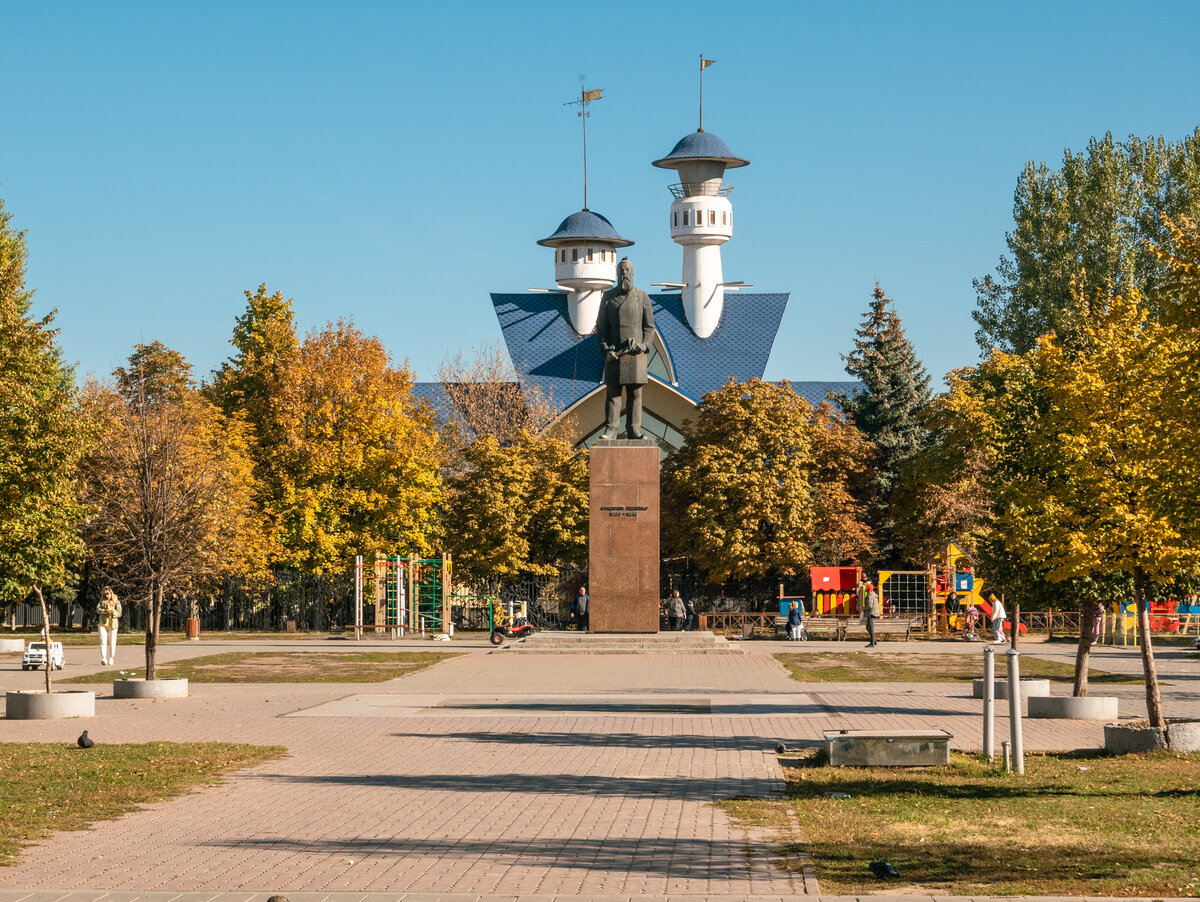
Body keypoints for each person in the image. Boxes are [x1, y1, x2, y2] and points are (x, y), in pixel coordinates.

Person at [596, 257, 655, 440]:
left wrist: (644, 345)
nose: (624, 275)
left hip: (636, 354)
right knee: (613, 392)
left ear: (633, 273)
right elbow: (602, 327)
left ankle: (634, 429)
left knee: (635, 393)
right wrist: (606, 350)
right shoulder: (608, 297)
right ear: (617, 274)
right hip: (616, 354)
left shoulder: (642, 296)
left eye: (627, 271)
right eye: (621, 271)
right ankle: (611, 429)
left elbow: (649, 327)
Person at [97, 586, 122, 666]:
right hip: (103, 624)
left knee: (112, 642)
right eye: (104, 594)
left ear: (111, 593)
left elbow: (119, 613)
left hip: (113, 625)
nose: (106, 596)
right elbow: (98, 609)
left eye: (107, 594)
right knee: (102, 641)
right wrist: (105, 611)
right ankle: (103, 658)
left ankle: (111, 658)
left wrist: (113, 611)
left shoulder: (116, 601)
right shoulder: (102, 600)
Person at [864, 582, 880, 647]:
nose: (865, 589)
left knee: (870, 627)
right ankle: (874, 640)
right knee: (868, 627)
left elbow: (870, 606)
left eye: (866, 588)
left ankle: (872, 642)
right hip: (874, 612)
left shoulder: (870, 596)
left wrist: (863, 608)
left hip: (871, 613)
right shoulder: (874, 595)